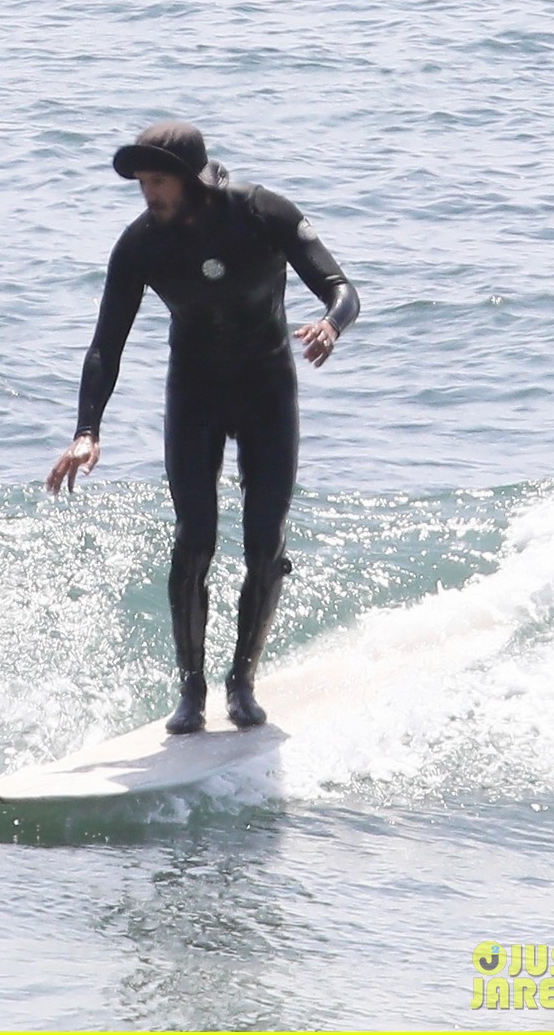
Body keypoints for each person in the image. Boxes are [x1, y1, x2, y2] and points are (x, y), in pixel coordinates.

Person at [47, 121, 360, 734]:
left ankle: (242, 682)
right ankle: (191, 691)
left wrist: (331, 325)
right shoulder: (140, 245)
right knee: (194, 539)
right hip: (194, 393)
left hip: (267, 390)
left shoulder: (261, 213)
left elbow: (342, 288)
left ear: (190, 179)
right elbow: (104, 347)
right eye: (142, 183)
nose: (148, 194)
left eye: (158, 182)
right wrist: (87, 429)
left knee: (265, 542)